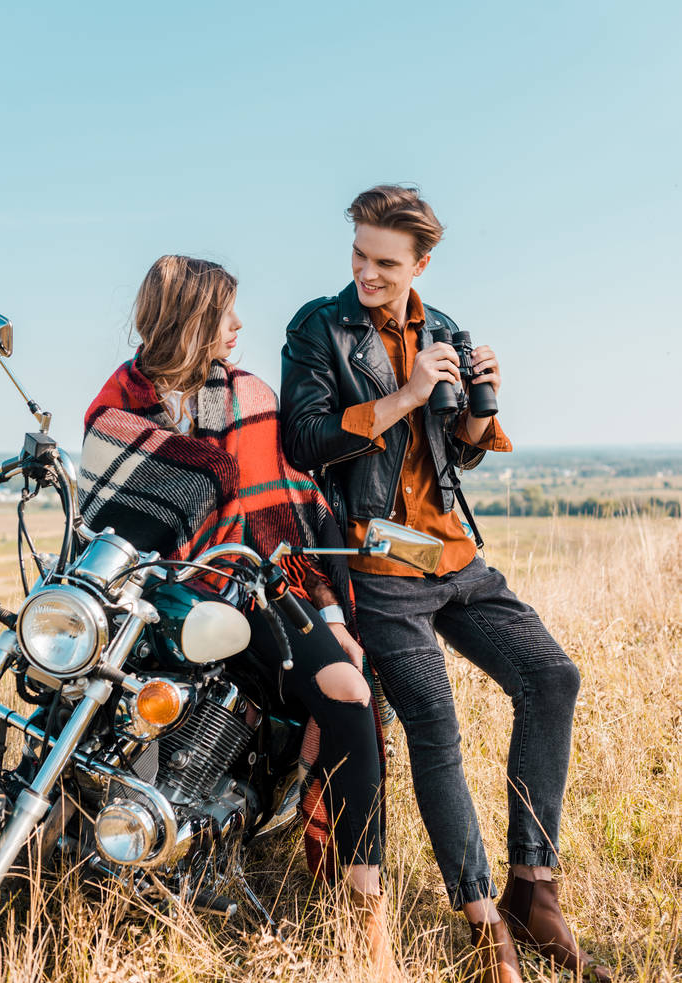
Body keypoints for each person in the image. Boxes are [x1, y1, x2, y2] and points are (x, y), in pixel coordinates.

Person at [280, 186, 612, 983]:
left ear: (420, 263)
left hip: (453, 555)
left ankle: (533, 890)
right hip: (377, 565)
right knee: (436, 723)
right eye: (358, 253)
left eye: (384, 262)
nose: (365, 271)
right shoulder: (318, 327)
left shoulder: (442, 328)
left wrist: (466, 411)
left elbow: (452, 454)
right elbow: (303, 441)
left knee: (550, 676)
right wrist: (403, 394)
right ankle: (482, 923)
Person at [78, 255, 402, 981]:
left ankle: (365, 918)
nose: (238, 326)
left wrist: (325, 607)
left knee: (348, 697)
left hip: (253, 596)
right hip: (148, 606)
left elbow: (281, 520)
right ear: (188, 320)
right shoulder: (117, 406)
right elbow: (102, 522)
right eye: (224, 313)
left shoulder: (251, 397)